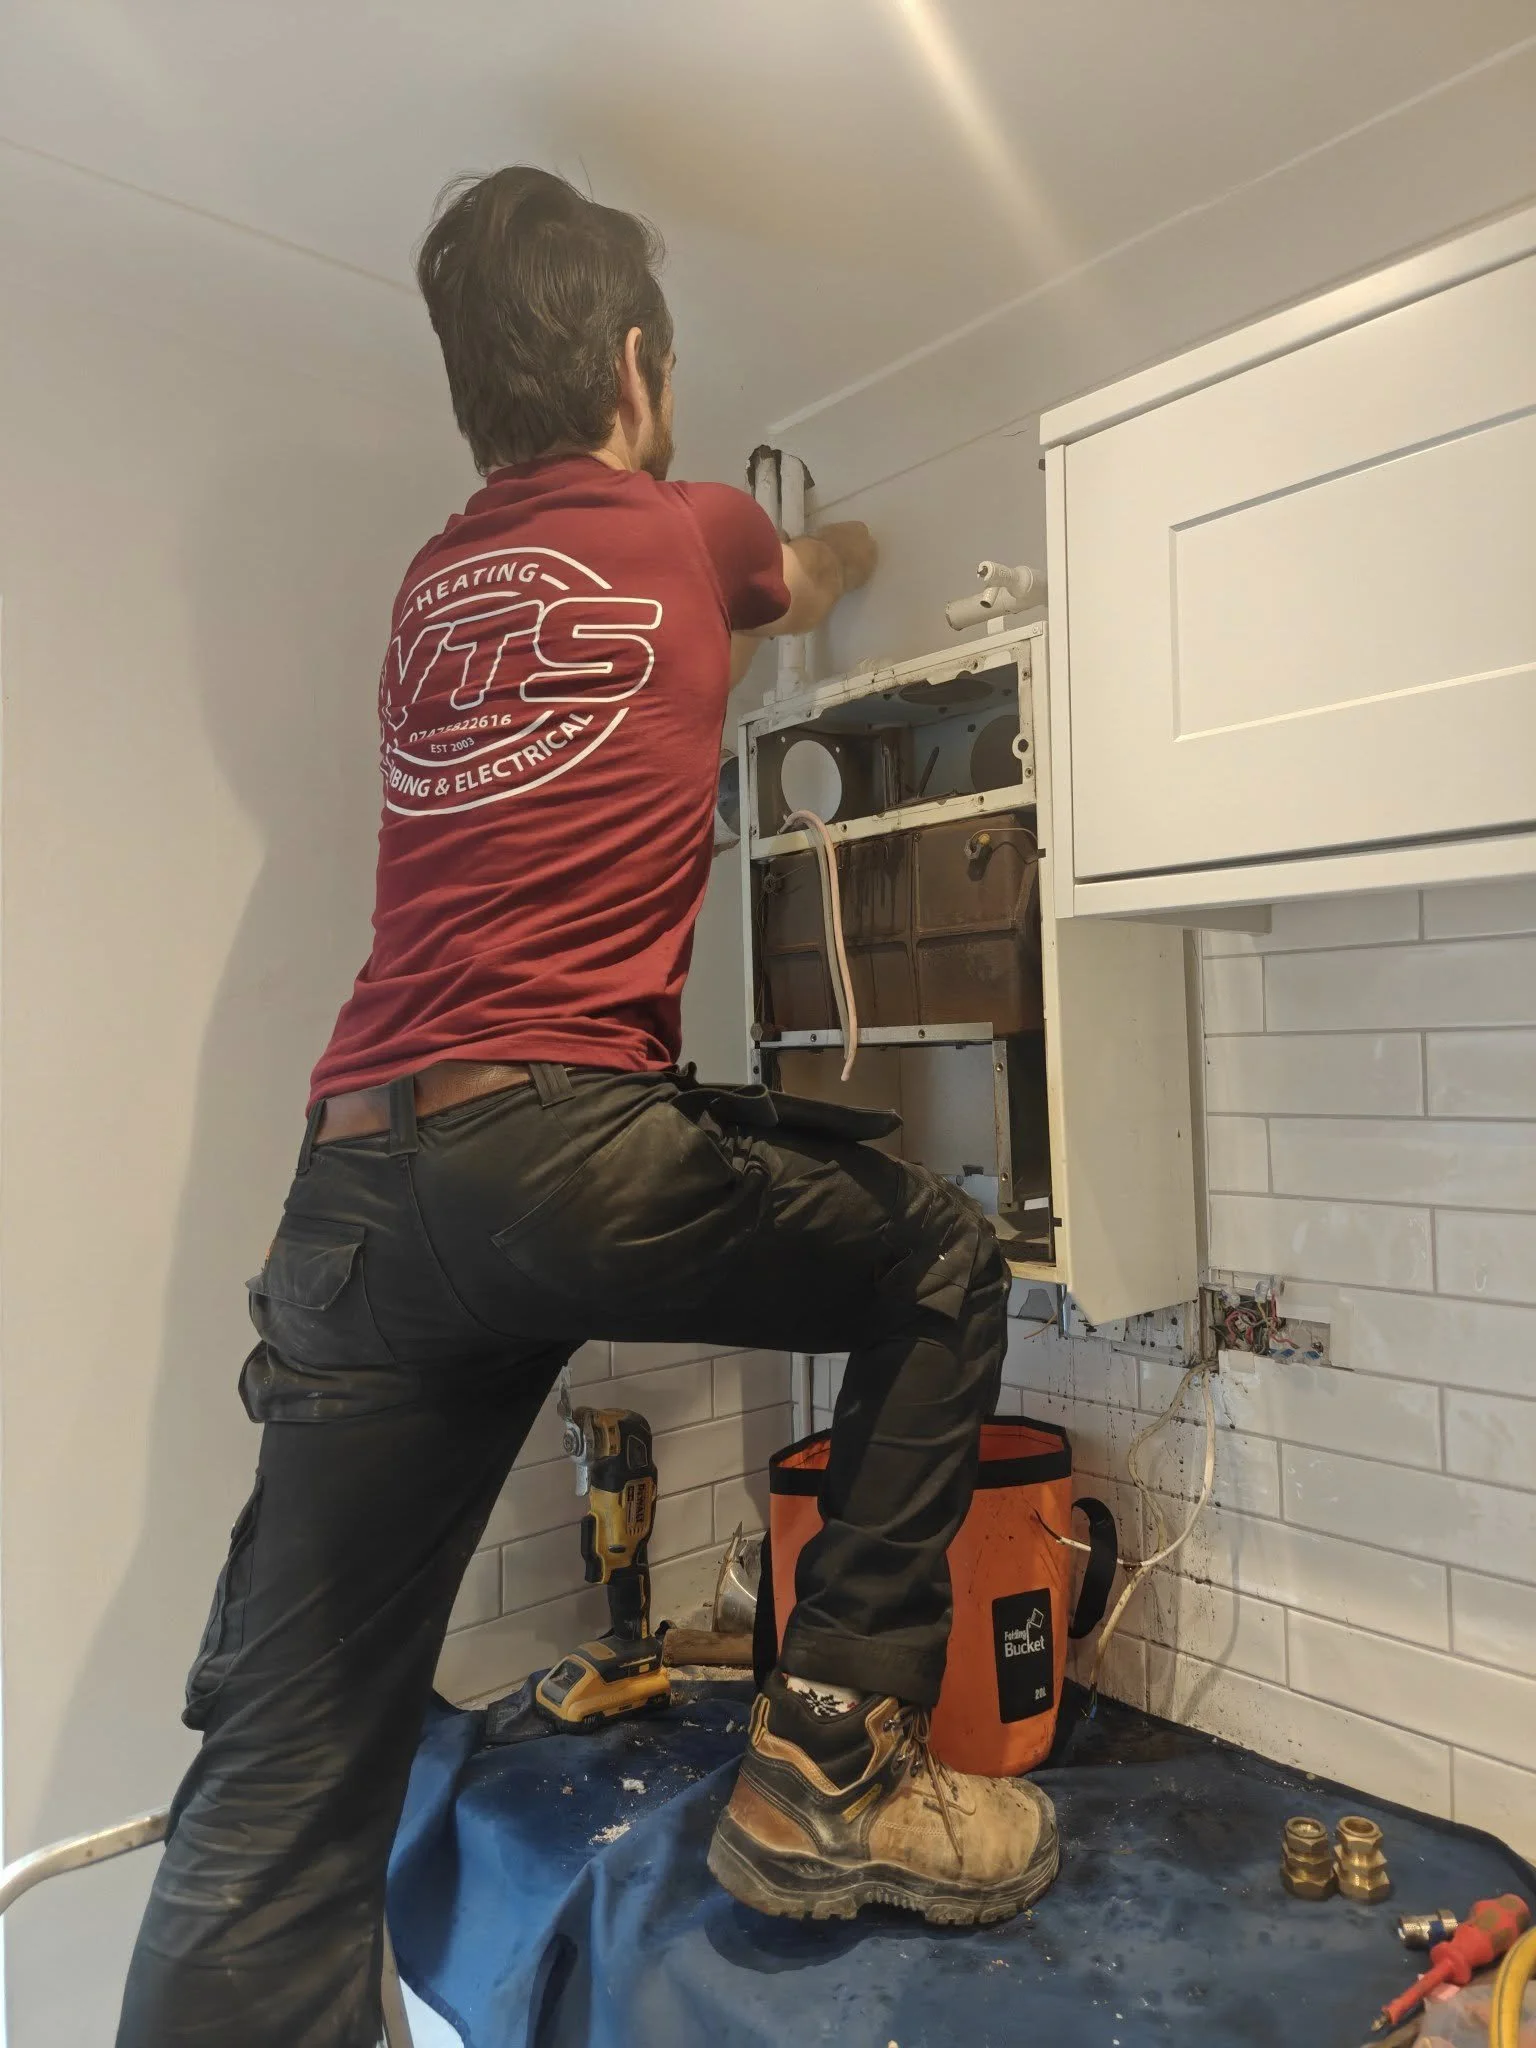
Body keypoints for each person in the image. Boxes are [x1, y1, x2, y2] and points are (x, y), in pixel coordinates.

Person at [116, 165, 1057, 2048]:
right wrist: (840, 549)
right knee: (943, 1259)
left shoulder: (428, 587)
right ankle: (834, 1774)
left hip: (356, 1189)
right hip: (553, 1142)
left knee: (288, 1759)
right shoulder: (686, 523)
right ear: (637, 363)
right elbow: (818, 572)